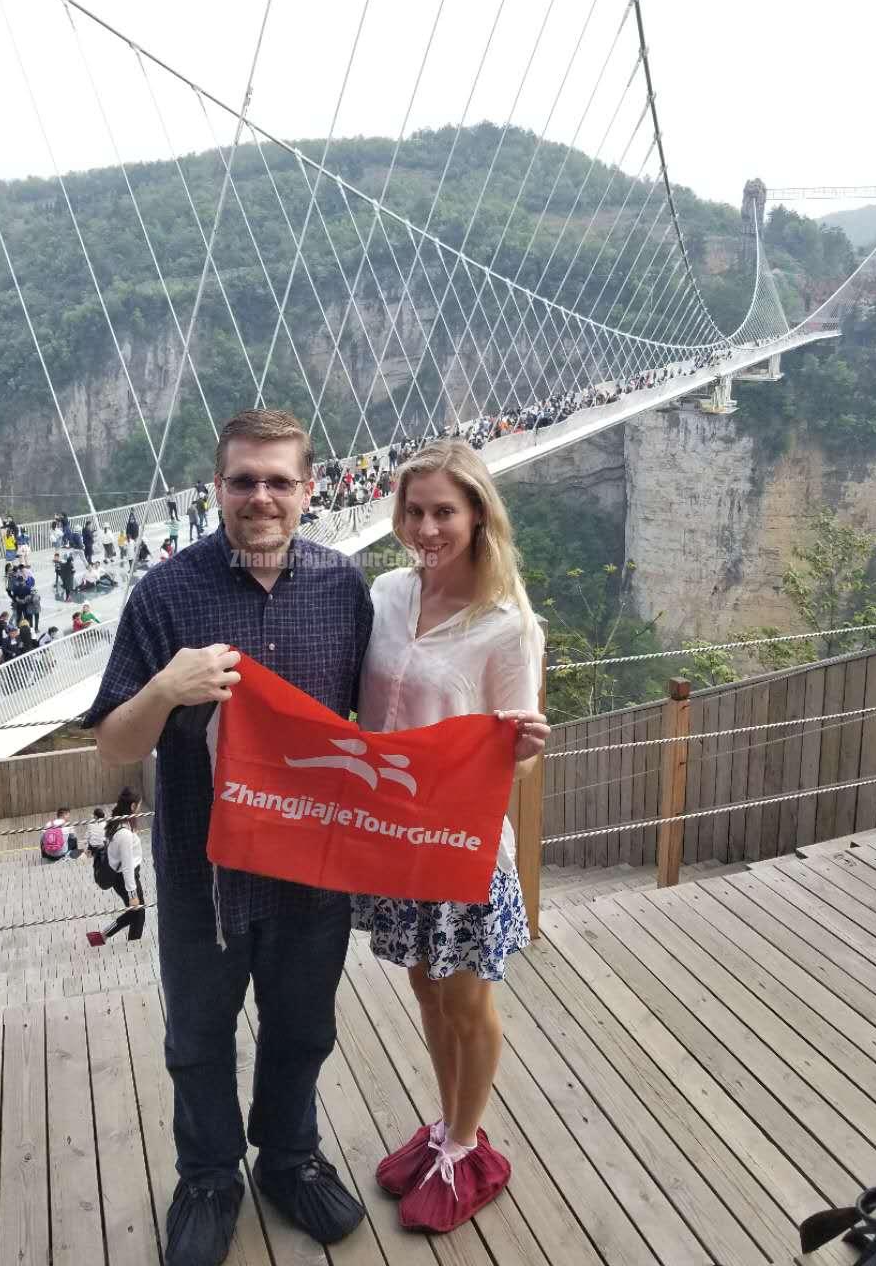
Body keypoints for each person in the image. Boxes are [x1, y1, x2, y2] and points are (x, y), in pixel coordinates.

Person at [85, 408, 373, 1266]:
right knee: (198, 1039)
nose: (260, 496)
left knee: (302, 1027)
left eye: (279, 480)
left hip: (311, 871)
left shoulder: (344, 587)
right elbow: (112, 744)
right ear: (217, 488)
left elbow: (382, 725)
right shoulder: (165, 595)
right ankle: (209, 1175)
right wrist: (166, 689)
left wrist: (493, 736)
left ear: (308, 490)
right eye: (243, 479)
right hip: (200, 872)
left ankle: (288, 1158)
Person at [351, 439, 550, 1233]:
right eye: (414, 510)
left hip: (462, 841)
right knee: (425, 984)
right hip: (392, 835)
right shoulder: (386, 593)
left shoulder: (508, 625)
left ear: (477, 516)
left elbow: (517, 763)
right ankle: (444, 1124)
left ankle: (467, 1146)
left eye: (444, 511)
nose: (426, 526)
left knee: (467, 997)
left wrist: (528, 750)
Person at [87, 790, 145, 945]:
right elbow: (127, 866)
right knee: (138, 913)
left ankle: (104, 936)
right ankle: (105, 936)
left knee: (137, 913)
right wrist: (132, 894)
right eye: (138, 806)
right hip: (125, 878)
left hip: (122, 877)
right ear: (132, 806)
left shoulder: (119, 823)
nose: (140, 810)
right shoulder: (124, 833)